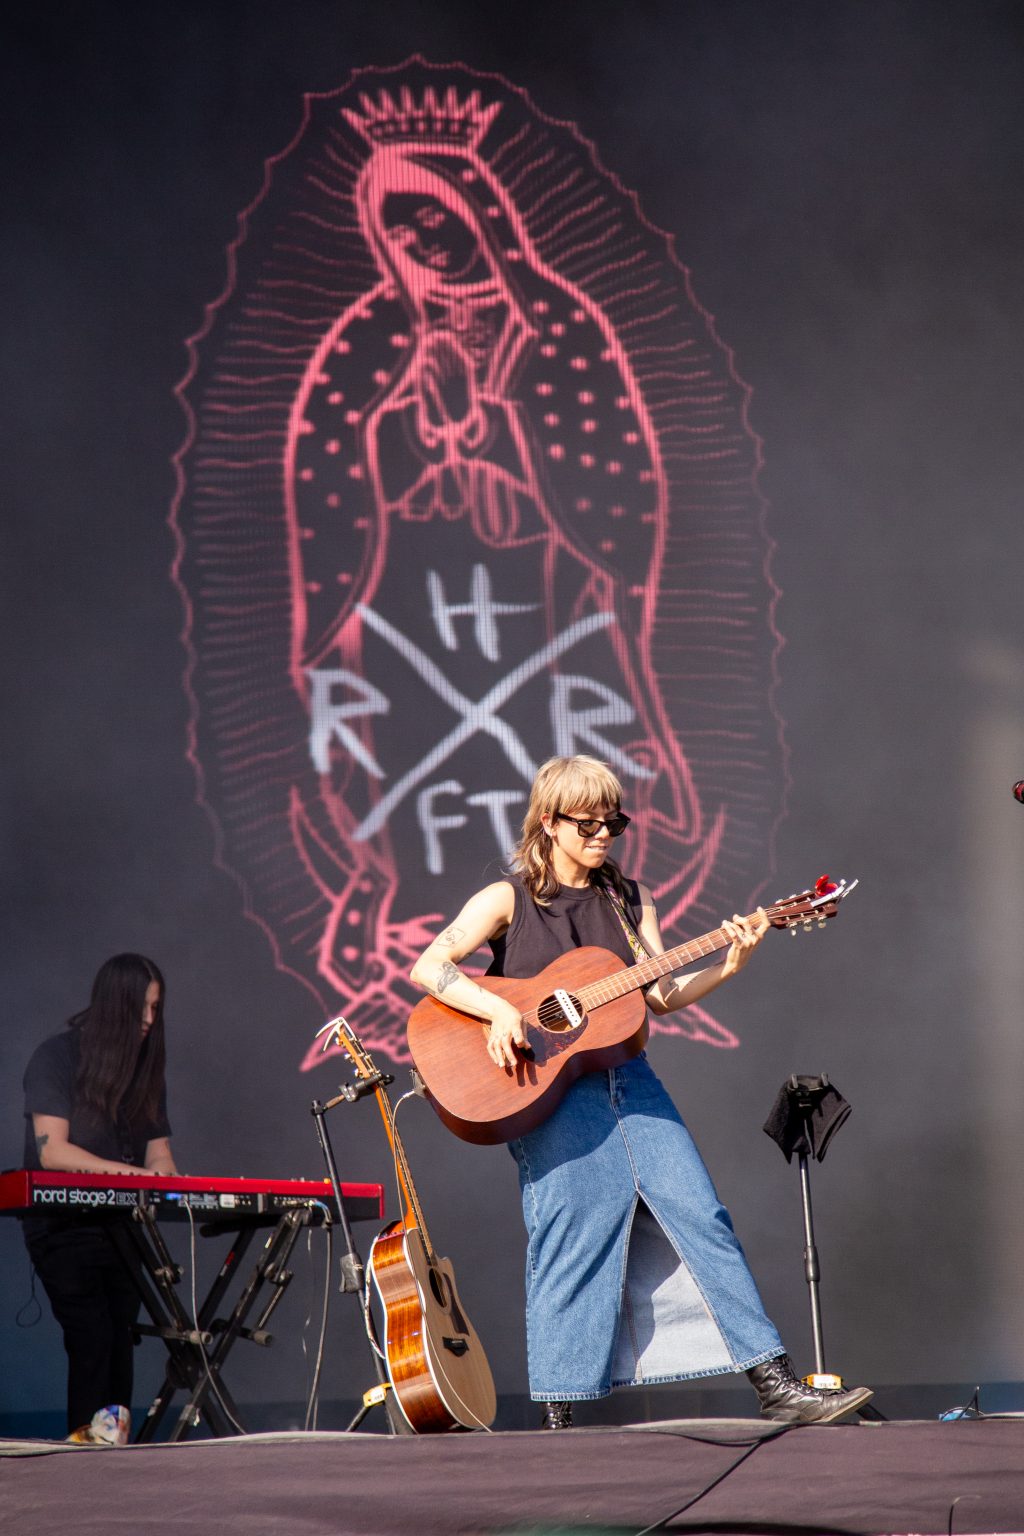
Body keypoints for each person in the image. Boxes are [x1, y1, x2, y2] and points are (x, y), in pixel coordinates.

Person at [410, 755, 872, 1427]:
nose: (604, 834)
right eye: (589, 823)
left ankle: (774, 1383)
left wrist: (730, 961)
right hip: (546, 1089)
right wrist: (501, 1011)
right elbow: (431, 966)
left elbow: (657, 995)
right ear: (549, 822)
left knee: (700, 1212)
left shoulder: (630, 900)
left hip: (629, 1080)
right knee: (573, 1231)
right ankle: (560, 1417)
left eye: (614, 821)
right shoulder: (507, 899)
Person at [21, 953, 177, 1443]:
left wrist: (167, 1179)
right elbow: (53, 1152)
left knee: (119, 1342)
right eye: (141, 1010)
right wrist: (134, 1177)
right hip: (64, 1225)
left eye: (156, 1009)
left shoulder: (144, 1071)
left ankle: (110, 1452)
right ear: (115, 1007)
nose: (150, 1021)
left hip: (123, 1229)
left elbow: (161, 1154)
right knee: (91, 1338)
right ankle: (85, 1459)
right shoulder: (57, 1057)